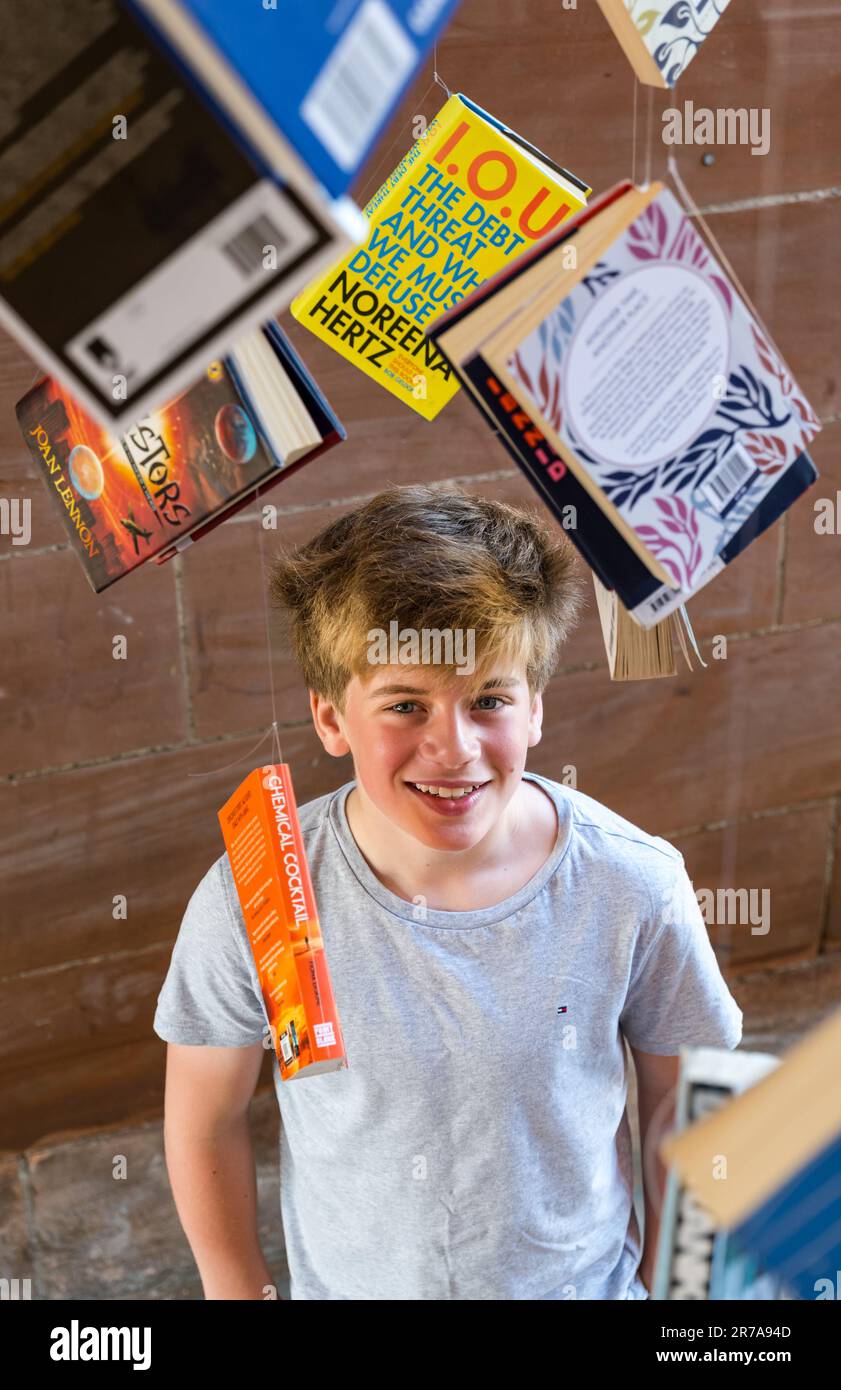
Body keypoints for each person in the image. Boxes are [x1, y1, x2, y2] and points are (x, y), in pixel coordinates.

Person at [153, 484, 742, 1300]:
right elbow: (204, 1121)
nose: (453, 747)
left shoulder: (632, 884)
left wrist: (670, 1294)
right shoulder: (256, 896)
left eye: (488, 701)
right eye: (404, 704)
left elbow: (685, 1103)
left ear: (534, 707)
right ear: (330, 719)